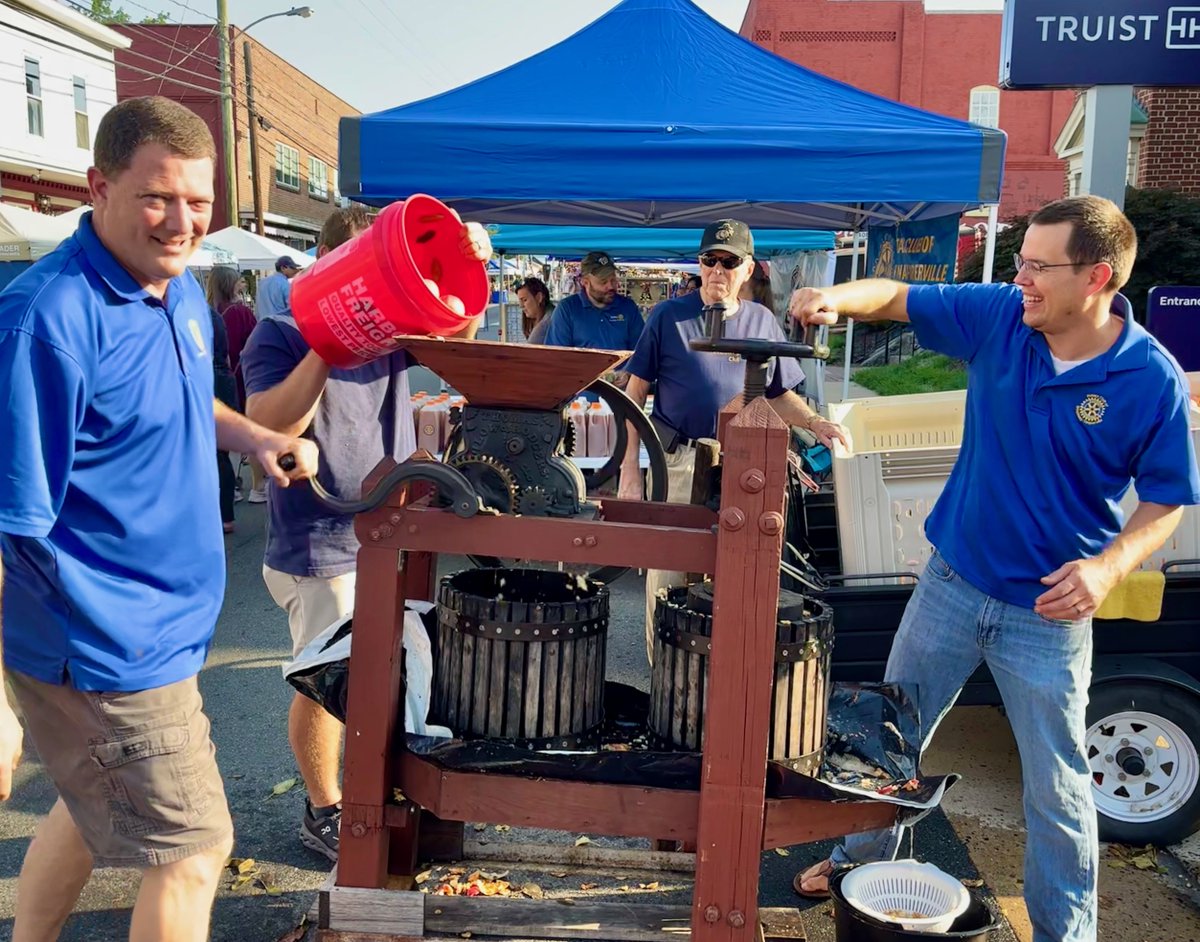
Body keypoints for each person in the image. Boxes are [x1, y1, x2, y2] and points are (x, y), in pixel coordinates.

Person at [787, 195, 1200, 942]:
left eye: (1040, 267)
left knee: (1060, 787)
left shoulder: (1150, 380)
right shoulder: (1002, 316)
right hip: (951, 583)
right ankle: (855, 863)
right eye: (1021, 264)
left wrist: (1106, 570)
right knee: (889, 743)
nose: (1024, 280)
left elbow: (1167, 501)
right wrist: (832, 299)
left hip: (1047, 617)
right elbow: (896, 296)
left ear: (1097, 276)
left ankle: (1064, 934)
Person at [0, 95, 318, 942]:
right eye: (157, 197)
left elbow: (181, 402)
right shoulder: (47, 320)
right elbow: (8, 516)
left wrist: (254, 435)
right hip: (102, 646)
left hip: (162, 632)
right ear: (98, 186)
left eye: (199, 203)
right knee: (192, 850)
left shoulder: (172, 290)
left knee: (91, 803)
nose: (181, 223)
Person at [241, 206, 492, 862]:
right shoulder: (280, 333)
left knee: (386, 668)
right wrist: (326, 342)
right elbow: (267, 424)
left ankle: (373, 793)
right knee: (326, 677)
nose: (377, 286)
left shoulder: (387, 336)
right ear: (328, 265)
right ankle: (322, 806)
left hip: (384, 531)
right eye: (364, 268)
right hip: (317, 543)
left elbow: (460, 339)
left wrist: (472, 263)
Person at [616, 219, 849, 660]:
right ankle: (661, 675)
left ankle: (715, 671)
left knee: (735, 570)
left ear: (747, 269)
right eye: (710, 260)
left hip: (743, 465)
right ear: (699, 264)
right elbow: (634, 394)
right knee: (667, 573)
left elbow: (780, 396)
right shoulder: (668, 317)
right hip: (680, 461)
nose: (717, 270)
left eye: (729, 261)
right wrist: (630, 470)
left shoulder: (761, 321)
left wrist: (817, 423)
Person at [207, 267, 266, 502]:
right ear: (229, 284)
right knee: (250, 430)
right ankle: (257, 486)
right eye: (239, 281)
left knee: (218, 438)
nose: (242, 284)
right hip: (241, 377)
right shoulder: (240, 312)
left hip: (210, 379)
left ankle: (226, 488)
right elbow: (256, 343)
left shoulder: (203, 312)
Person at [543, 251, 644, 355]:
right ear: (585, 282)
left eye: (613, 280)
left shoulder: (628, 307)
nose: (610, 286)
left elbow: (641, 352)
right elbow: (556, 356)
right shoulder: (567, 309)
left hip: (621, 371)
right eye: (603, 281)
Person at [254, 255, 297, 321]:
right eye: (293, 268)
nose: (295, 270)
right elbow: (291, 308)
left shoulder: (262, 282)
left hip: (262, 324)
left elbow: (257, 308)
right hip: (279, 324)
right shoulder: (285, 284)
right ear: (283, 268)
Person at [516, 276, 553, 344]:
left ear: (539, 297)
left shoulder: (547, 322)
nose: (521, 305)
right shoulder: (550, 315)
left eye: (524, 300)